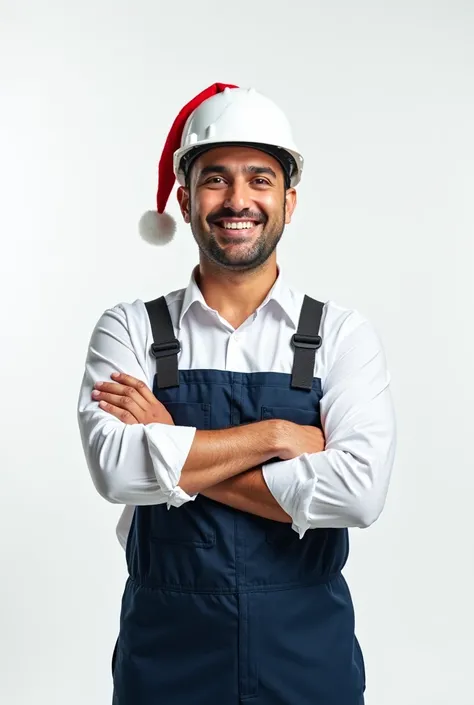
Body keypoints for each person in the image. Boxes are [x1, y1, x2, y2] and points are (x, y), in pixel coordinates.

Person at [77, 82, 397, 705]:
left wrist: (171, 446)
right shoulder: (130, 328)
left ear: (289, 200)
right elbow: (116, 471)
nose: (238, 200)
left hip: (307, 658)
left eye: (259, 178)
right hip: (166, 658)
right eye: (216, 179)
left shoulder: (341, 335)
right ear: (186, 197)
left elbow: (359, 493)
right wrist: (276, 437)